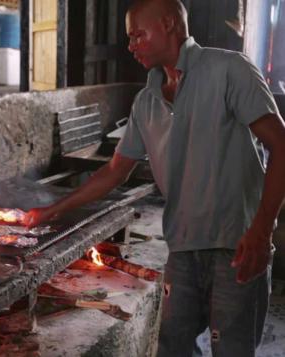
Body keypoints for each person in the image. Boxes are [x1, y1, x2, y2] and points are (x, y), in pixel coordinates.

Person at [23, 0, 285, 356]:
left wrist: (261, 229)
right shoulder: (146, 101)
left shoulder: (228, 70)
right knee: (172, 346)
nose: (130, 45)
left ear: (169, 23)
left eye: (137, 35)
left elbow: (281, 146)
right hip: (182, 249)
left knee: (232, 349)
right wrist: (54, 209)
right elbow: (115, 171)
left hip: (236, 246)